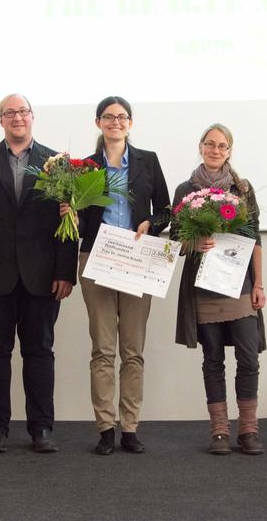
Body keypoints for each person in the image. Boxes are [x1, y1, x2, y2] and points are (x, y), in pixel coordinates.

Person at [0, 93, 78, 453]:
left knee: (40, 352)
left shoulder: (58, 164)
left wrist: (65, 271)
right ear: (0, 120)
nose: (17, 118)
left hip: (43, 277)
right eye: (9, 113)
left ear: (33, 117)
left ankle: (41, 428)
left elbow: (68, 221)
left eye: (23, 111)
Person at [75, 96, 170, 455]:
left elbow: (164, 211)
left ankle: (129, 427)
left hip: (137, 260)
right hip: (96, 259)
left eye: (122, 117)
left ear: (131, 123)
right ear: (98, 122)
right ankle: (105, 428)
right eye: (109, 117)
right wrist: (70, 210)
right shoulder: (84, 167)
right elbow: (82, 221)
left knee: (133, 351)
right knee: (102, 350)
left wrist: (151, 223)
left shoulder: (148, 161)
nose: (116, 122)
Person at [172, 123, 267, 455]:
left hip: (239, 285)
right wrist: (196, 241)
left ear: (229, 151)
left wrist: (259, 283)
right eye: (210, 144)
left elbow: (255, 239)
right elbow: (177, 240)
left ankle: (249, 430)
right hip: (203, 288)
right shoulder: (186, 188)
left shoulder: (242, 188)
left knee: (249, 358)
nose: (215, 150)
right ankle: (220, 431)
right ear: (200, 146)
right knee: (212, 359)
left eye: (222, 146)